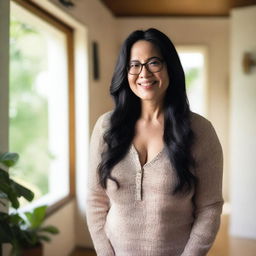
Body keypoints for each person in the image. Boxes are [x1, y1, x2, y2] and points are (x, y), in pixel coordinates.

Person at [86, 28, 223, 256]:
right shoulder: (105, 127)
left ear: (170, 67)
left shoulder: (200, 131)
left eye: (154, 62)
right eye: (134, 64)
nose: (144, 73)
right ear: (125, 71)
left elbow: (209, 208)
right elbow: (95, 199)